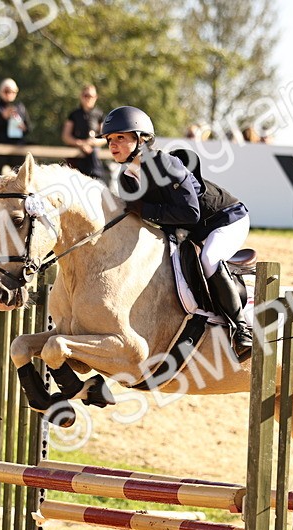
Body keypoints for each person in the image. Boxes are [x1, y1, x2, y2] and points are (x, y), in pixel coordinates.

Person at [102, 105, 252, 359]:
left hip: (225, 218)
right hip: (192, 230)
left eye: (120, 138)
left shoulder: (164, 164)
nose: (113, 145)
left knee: (209, 258)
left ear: (141, 139)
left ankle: (242, 330)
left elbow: (189, 213)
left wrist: (145, 208)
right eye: (109, 140)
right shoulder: (127, 177)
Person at [62, 84, 106, 183]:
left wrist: (92, 143)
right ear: (81, 96)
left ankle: (97, 180)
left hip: (93, 152)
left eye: (91, 96)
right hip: (76, 153)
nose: (88, 98)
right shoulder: (74, 115)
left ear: (96, 97)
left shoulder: (100, 114)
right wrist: (82, 144)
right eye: (86, 95)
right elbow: (66, 136)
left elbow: (105, 137)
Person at [0, 78, 31, 174]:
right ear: (0, 92)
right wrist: (3, 117)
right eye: (6, 91)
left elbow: (28, 128)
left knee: (19, 177)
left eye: (13, 91)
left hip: (17, 148)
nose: (9, 94)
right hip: (0, 148)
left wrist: (23, 127)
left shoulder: (20, 107)